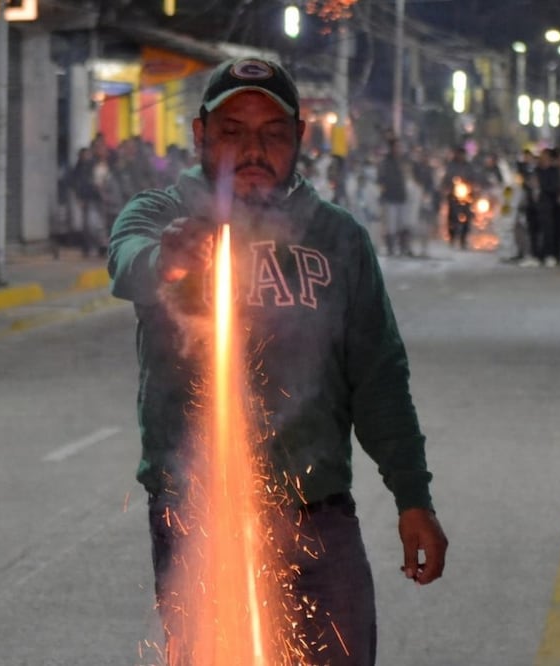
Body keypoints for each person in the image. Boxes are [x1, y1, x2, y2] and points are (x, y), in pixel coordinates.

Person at [107, 57, 448, 666]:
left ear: (300, 139)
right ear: (201, 135)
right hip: (197, 519)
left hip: (319, 519)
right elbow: (130, 262)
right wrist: (174, 260)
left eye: (272, 134)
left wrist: (413, 497)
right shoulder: (159, 215)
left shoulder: (337, 237)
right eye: (233, 131)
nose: (252, 150)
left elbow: (378, 377)